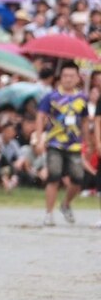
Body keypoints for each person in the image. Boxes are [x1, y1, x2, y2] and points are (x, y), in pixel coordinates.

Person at [40, 63, 92, 226]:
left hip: (75, 144)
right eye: (65, 76)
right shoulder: (51, 97)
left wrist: (87, 142)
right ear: (60, 78)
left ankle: (66, 203)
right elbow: (40, 116)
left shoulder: (82, 98)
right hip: (55, 143)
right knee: (53, 177)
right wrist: (39, 138)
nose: (68, 79)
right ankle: (49, 213)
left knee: (78, 179)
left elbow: (84, 121)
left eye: (71, 76)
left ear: (77, 78)